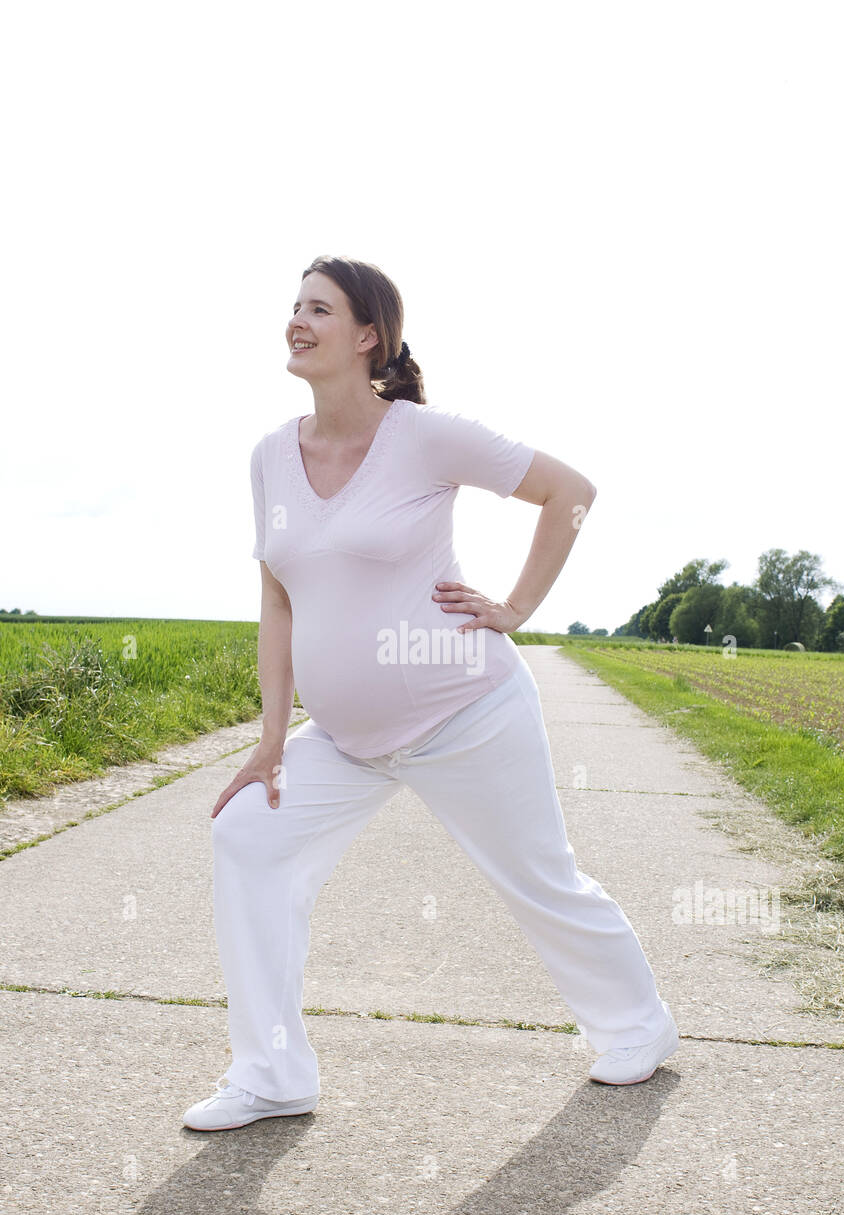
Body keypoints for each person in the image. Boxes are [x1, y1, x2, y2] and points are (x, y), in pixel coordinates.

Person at [182, 255, 678, 1131]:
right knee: (246, 835)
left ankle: (635, 1026)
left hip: (466, 715)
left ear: (368, 336)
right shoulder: (269, 455)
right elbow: (275, 597)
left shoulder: (423, 435)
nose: (295, 321)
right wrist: (269, 739)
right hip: (342, 740)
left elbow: (570, 492)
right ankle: (271, 1073)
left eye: (318, 309)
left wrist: (516, 607)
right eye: (292, 307)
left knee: (540, 878)